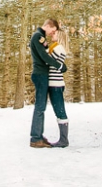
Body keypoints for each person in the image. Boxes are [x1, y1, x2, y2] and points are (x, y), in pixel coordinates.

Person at [29, 18, 67, 148]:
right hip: (40, 75)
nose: (53, 33)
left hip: (42, 75)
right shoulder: (38, 37)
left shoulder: (41, 37)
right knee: (40, 106)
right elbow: (44, 57)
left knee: (41, 106)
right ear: (48, 26)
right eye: (53, 30)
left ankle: (38, 135)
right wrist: (59, 66)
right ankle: (35, 138)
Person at [47, 28, 70, 148]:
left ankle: (64, 140)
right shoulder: (54, 47)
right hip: (53, 83)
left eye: (54, 33)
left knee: (60, 111)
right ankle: (63, 139)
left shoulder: (58, 48)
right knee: (58, 111)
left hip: (56, 84)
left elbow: (47, 61)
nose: (52, 34)